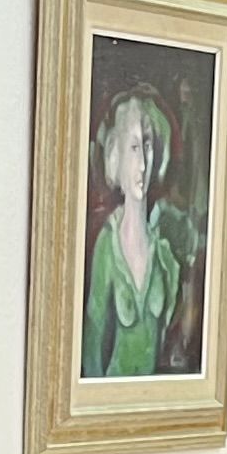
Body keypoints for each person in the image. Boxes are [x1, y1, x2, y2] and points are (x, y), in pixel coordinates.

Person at [81, 88, 198, 379]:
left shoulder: (164, 251)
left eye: (147, 145)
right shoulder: (107, 246)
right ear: (116, 155)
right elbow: (92, 358)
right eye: (133, 148)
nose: (142, 165)